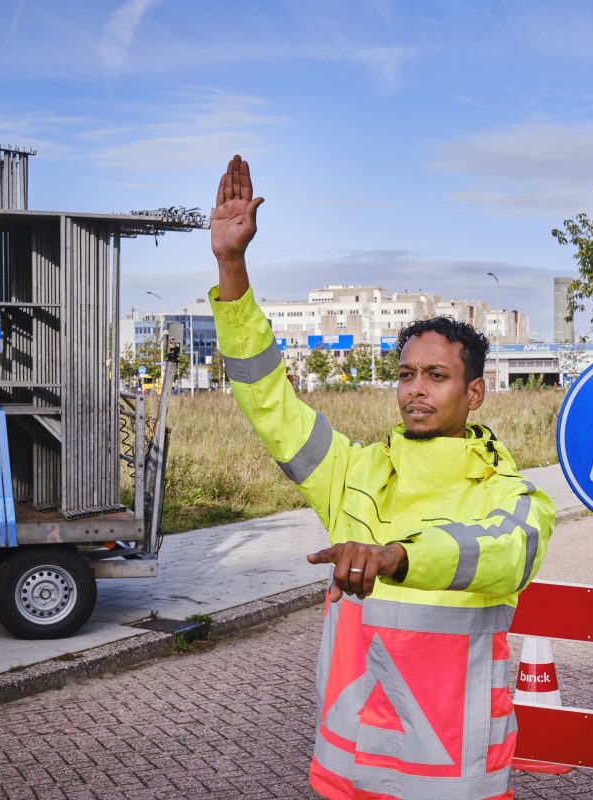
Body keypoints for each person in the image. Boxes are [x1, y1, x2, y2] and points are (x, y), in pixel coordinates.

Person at [209, 155, 554, 800]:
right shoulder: (353, 472)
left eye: (437, 376)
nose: (415, 391)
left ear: (475, 393)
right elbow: (267, 400)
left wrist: (396, 556)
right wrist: (233, 269)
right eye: (405, 375)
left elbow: (503, 558)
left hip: (457, 783)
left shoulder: (513, 495)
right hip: (349, 775)